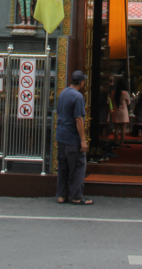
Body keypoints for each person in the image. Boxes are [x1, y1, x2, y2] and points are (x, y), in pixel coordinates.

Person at [56, 70, 93, 205]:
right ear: (81, 82)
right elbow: (79, 119)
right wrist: (83, 140)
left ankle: (61, 195)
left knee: (63, 166)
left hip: (61, 136)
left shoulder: (63, 93)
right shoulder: (78, 97)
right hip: (72, 137)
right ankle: (76, 195)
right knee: (77, 166)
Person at [111, 77, 131, 147]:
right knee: (123, 129)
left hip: (116, 112)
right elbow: (129, 103)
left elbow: (112, 101)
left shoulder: (113, 93)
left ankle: (116, 142)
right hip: (123, 112)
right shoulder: (125, 93)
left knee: (116, 129)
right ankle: (122, 142)